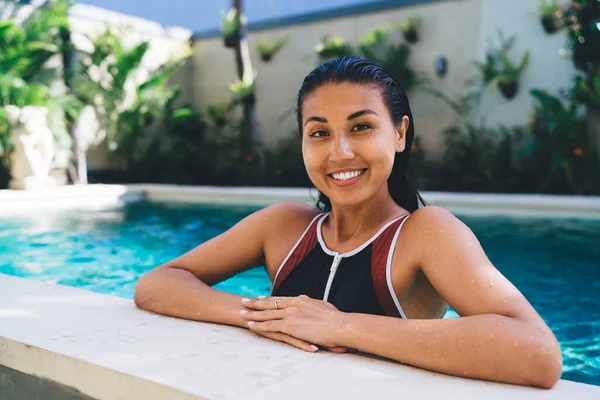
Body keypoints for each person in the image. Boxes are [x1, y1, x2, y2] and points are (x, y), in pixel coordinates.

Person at [134, 56, 562, 389]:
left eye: (360, 127)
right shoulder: (284, 226)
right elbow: (158, 283)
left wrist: (340, 325)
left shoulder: (425, 233)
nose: (339, 153)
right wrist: (268, 316)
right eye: (319, 133)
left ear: (399, 134)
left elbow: (537, 352)